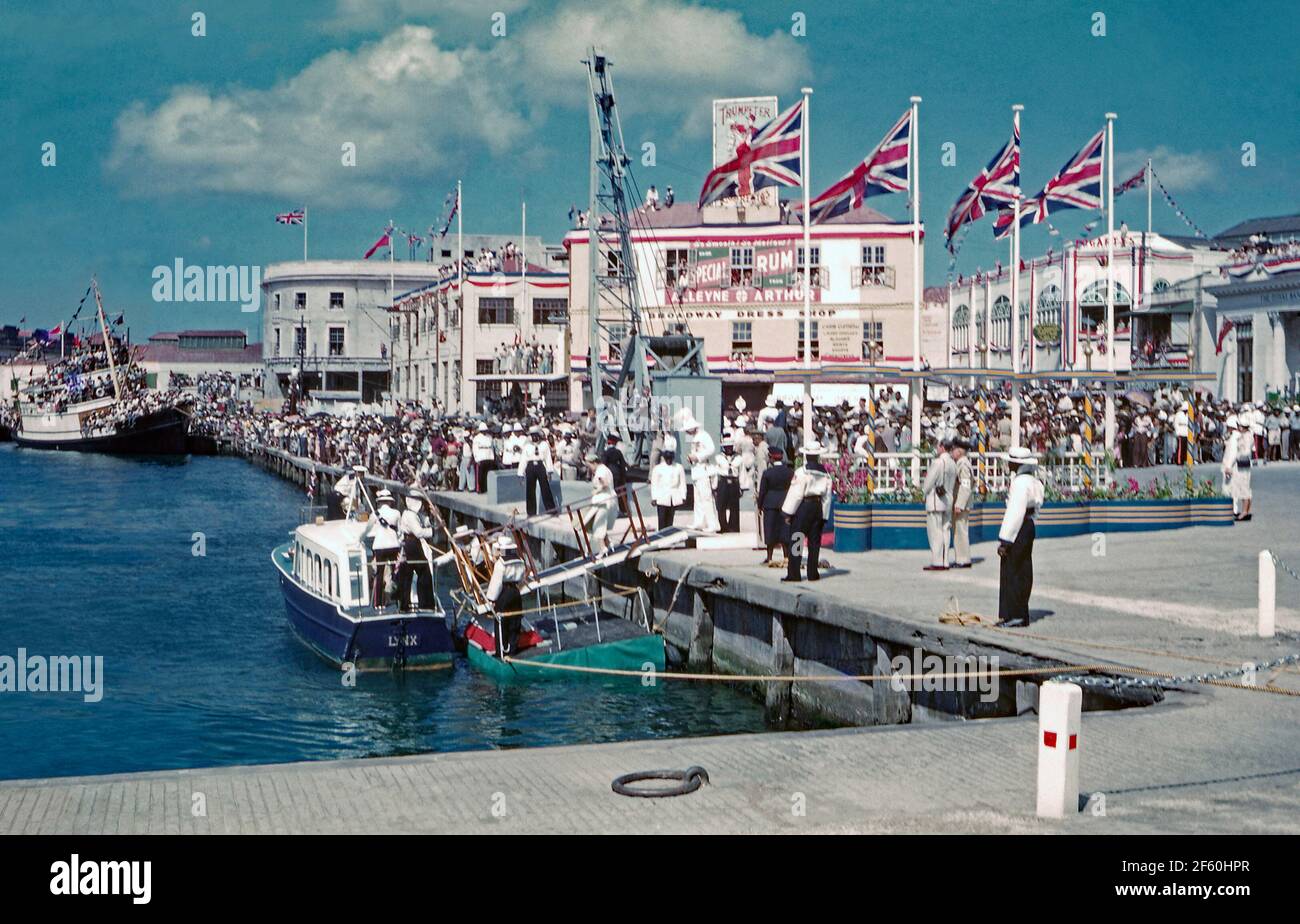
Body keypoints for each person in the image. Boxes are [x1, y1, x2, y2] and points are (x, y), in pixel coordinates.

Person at [997, 447, 1044, 625]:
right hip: (1028, 525)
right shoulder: (1034, 481)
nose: (1008, 464)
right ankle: (1020, 612)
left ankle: (1014, 613)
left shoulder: (1019, 483)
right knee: (1024, 569)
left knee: (1013, 570)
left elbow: (1015, 513)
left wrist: (1006, 540)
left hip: (1018, 527)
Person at [781, 439, 832, 582]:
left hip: (803, 507)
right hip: (817, 507)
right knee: (814, 542)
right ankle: (812, 573)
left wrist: (788, 513)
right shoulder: (825, 474)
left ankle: (794, 573)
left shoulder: (802, 472)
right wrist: (824, 515)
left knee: (797, 539)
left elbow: (796, 494)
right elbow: (827, 497)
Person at [485, 533, 528, 655]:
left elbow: (496, 583)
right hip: (515, 591)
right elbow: (522, 578)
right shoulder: (520, 560)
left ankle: (501, 651)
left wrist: (491, 599)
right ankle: (513, 649)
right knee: (515, 620)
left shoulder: (501, 563)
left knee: (501, 621)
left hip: (504, 592)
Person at [395, 490, 434, 612]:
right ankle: (425, 603)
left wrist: (433, 516)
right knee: (424, 571)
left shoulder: (411, 514)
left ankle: (405, 604)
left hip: (410, 544)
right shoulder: (410, 516)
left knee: (408, 573)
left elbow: (425, 521)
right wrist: (433, 532)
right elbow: (419, 532)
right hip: (412, 544)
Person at [922, 438, 957, 571]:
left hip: (936, 499)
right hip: (948, 498)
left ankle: (937, 561)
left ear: (942, 447)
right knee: (946, 529)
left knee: (935, 531)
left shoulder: (938, 462)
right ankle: (945, 560)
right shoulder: (952, 463)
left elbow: (929, 481)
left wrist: (923, 492)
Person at [756, 446, 793, 567]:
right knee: (785, 531)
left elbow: (762, 491)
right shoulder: (789, 472)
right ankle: (786, 556)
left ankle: (769, 557)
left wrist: (760, 505)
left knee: (770, 530)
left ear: (771, 458)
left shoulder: (768, 473)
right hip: (785, 503)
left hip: (770, 503)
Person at [365, 488, 402, 607]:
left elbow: (367, 530)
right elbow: (400, 531)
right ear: (390, 502)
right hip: (394, 546)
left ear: (380, 502)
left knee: (379, 575)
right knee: (395, 573)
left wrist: (359, 539)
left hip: (380, 547)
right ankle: (397, 601)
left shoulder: (374, 514)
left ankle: (378, 604)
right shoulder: (397, 513)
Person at [683, 413, 719, 533]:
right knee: (698, 498)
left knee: (706, 498)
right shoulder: (695, 438)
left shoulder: (704, 436)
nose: (687, 432)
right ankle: (699, 522)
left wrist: (697, 457)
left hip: (703, 469)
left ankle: (712, 524)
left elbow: (711, 449)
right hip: (696, 470)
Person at [584, 449, 618, 555]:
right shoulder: (604, 469)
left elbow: (605, 483)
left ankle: (603, 548)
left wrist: (597, 490)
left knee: (597, 525)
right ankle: (608, 543)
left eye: (589, 465)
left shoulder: (600, 471)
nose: (589, 468)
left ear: (594, 463)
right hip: (606, 500)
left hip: (603, 501)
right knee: (600, 524)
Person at [518, 425, 556, 516]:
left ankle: (551, 510)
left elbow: (548, 458)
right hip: (530, 467)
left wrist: (550, 471)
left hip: (540, 466)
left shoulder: (544, 445)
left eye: (536, 435)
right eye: (532, 435)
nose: (534, 437)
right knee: (530, 489)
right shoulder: (527, 446)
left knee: (545, 488)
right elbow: (523, 460)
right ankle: (531, 512)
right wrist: (520, 473)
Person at [1222, 416, 1252, 521]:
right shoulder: (1243, 435)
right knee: (1244, 488)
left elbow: (1246, 451)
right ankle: (1245, 511)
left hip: (1242, 463)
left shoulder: (1246, 436)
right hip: (1243, 464)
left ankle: (1244, 512)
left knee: (1244, 489)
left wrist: (1238, 455)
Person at [950, 438, 974, 568]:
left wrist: (960, 504)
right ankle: (961, 557)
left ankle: (963, 559)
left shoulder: (963, 464)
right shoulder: (960, 463)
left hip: (961, 503)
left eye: (954, 449)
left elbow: (965, 485)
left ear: (959, 451)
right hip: (961, 502)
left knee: (961, 531)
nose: (952, 452)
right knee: (958, 531)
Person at [649, 449, 686, 530]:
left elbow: (682, 483)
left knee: (670, 519)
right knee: (662, 519)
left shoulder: (679, 467)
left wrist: (683, 496)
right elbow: (654, 484)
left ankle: (669, 536)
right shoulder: (658, 468)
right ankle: (661, 537)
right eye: (667, 458)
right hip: (662, 497)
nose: (669, 460)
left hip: (673, 497)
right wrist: (654, 498)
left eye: (670, 458)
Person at [714, 439, 742, 533]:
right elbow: (715, 472)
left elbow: (742, 472)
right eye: (727, 447)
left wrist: (741, 487)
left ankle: (733, 527)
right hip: (723, 481)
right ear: (724, 447)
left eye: (730, 446)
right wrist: (714, 487)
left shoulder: (738, 458)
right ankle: (723, 526)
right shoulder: (718, 458)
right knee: (721, 505)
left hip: (734, 481)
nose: (729, 449)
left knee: (734, 505)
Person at [471, 422, 495, 494]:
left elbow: (491, 448)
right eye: (483, 430)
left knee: (488, 474)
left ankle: (488, 488)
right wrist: (476, 459)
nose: (484, 431)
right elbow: (475, 449)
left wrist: (492, 457)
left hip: (489, 457)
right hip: (481, 458)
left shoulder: (489, 437)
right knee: (480, 475)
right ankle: (481, 489)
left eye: (485, 430)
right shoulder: (476, 438)